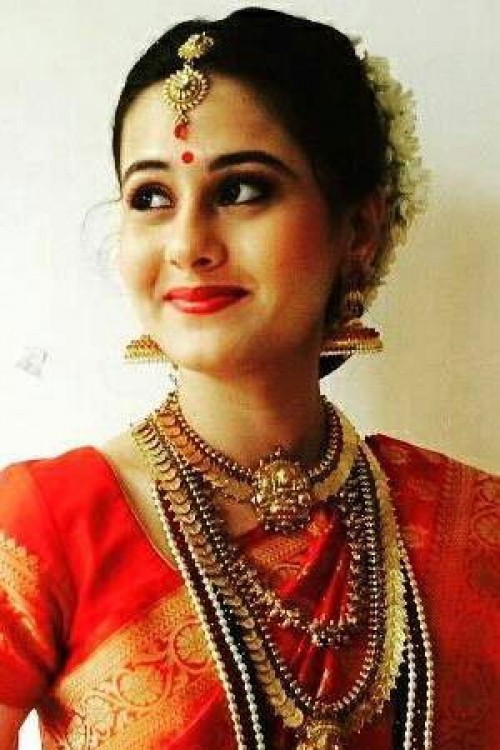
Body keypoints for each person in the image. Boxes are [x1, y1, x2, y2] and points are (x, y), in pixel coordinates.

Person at [0, 7, 498, 750]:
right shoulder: (43, 530)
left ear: (359, 230)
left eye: (240, 190)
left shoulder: (473, 525)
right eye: (151, 197)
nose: (187, 244)